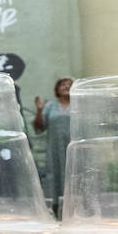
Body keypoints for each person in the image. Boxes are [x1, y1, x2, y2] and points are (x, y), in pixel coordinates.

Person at [34, 77, 74, 209]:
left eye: (69, 84)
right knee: (54, 174)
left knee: (73, 173)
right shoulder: (50, 106)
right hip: (54, 149)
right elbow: (40, 127)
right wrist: (39, 110)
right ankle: (55, 206)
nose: (66, 86)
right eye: (63, 85)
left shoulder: (78, 105)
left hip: (72, 148)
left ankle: (74, 204)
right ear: (57, 89)